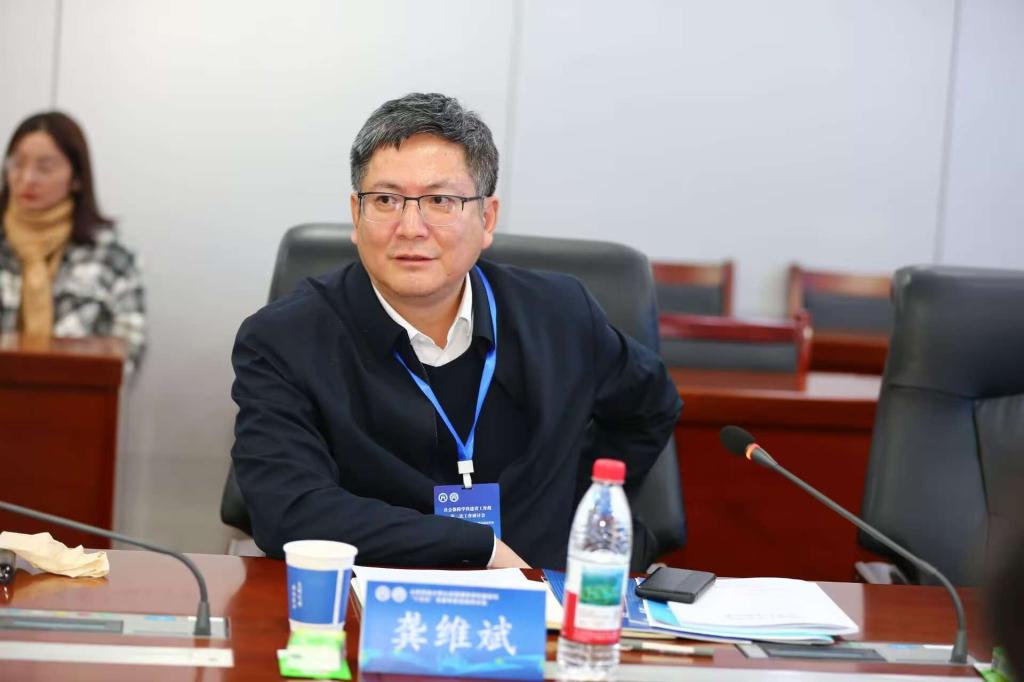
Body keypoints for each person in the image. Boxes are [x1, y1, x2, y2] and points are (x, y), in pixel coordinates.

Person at [231, 93, 681, 569]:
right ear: (356, 215)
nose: (410, 227)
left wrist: (570, 510)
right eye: (385, 200)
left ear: (487, 219)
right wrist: (480, 548)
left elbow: (649, 407)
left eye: (440, 201)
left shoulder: (560, 314)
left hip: (536, 596)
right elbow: (289, 510)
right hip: (367, 594)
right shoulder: (285, 339)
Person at [0, 112, 145, 372]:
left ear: (77, 178)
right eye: (17, 164)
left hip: (75, 394)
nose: (27, 179)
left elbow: (129, 349)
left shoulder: (112, 256)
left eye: (44, 168)